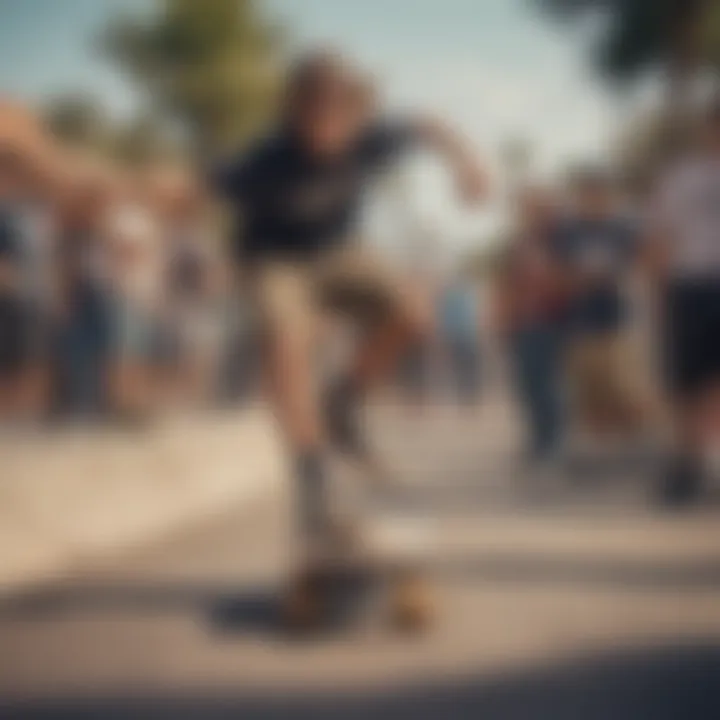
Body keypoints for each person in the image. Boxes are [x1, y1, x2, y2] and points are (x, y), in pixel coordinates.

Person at [212, 50, 486, 618]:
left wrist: (468, 165)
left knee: (413, 313)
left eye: (338, 121)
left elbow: (431, 124)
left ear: (357, 115)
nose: (325, 135)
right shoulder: (262, 160)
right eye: (312, 120)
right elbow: (188, 188)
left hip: (340, 252)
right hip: (274, 260)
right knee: (286, 341)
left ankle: (345, 399)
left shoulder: (375, 135)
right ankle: (309, 463)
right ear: (293, 112)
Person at [649, 102, 720, 506]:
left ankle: (707, 459)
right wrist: (660, 292)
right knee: (687, 383)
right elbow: (662, 236)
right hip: (692, 285)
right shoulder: (682, 178)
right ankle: (686, 464)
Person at [552, 168, 649, 444]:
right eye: (586, 194)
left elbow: (643, 261)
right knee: (590, 389)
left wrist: (617, 275)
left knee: (625, 385)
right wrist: (576, 279)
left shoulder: (625, 228)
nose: (592, 199)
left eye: (598, 193)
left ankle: (636, 439)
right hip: (580, 320)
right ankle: (602, 447)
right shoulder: (567, 231)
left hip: (619, 316)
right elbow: (557, 271)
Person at [494, 186, 565, 464]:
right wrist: (503, 318)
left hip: (549, 321)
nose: (524, 212)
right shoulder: (518, 243)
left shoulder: (558, 240)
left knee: (548, 384)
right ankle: (537, 441)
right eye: (522, 208)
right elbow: (507, 283)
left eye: (530, 206)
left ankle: (553, 443)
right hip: (521, 323)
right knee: (527, 384)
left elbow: (563, 279)